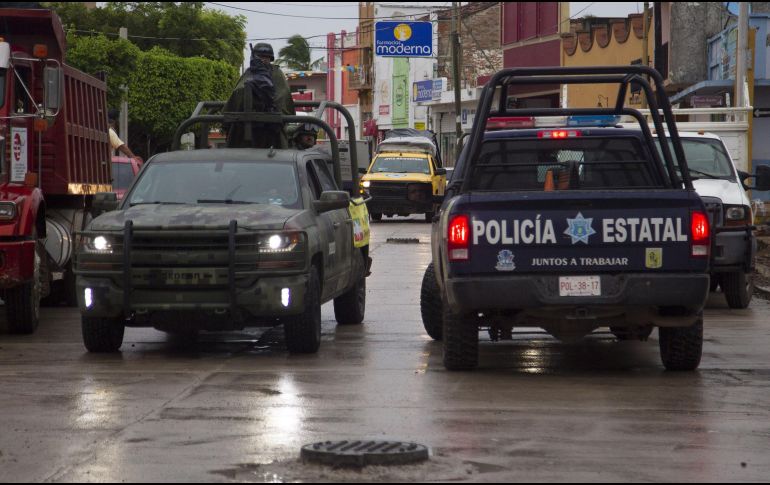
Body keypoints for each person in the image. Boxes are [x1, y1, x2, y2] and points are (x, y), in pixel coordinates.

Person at [224, 43, 295, 148]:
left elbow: (283, 95)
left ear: (270, 58)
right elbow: (237, 94)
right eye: (260, 57)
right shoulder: (249, 73)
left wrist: (269, 103)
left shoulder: (277, 73)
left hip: (272, 126)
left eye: (266, 57)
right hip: (245, 124)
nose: (263, 60)